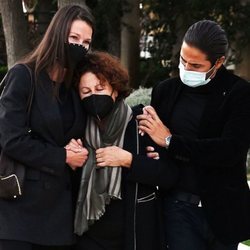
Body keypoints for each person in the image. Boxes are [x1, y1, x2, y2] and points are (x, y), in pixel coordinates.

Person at [137, 19, 250, 250]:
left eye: (196, 66)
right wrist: (153, 147)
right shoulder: (165, 91)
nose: (187, 69)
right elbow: (155, 146)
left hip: (224, 212)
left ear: (219, 62)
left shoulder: (240, 94)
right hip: (178, 209)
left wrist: (171, 142)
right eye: (183, 60)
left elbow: (230, 151)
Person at [0, 4, 94, 250]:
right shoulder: (23, 75)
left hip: (60, 217)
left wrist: (76, 147)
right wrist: (63, 155)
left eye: (86, 42)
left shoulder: (74, 86)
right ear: (57, 33)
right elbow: (11, 140)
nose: (79, 46)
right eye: (74, 37)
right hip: (19, 214)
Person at [65, 51, 179, 250]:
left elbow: (167, 175)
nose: (94, 96)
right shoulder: (77, 129)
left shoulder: (141, 124)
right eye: (86, 91)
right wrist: (70, 157)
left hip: (135, 234)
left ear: (115, 89)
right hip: (88, 236)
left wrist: (128, 160)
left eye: (100, 88)